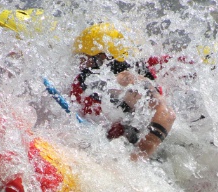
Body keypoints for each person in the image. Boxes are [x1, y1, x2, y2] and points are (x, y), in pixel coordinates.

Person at [71, 23, 177, 160]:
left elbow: (166, 114)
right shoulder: (106, 80)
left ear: (102, 58)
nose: (80, 65)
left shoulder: (125, 80)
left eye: (83, 58)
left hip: (154, 157)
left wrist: (133, 161)